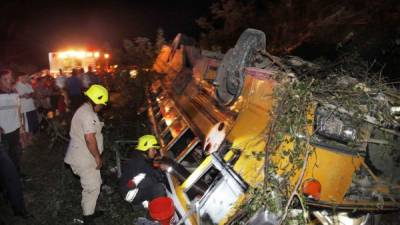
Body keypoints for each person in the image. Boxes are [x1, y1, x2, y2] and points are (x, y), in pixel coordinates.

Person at [64, 84, 108, 225]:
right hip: (84, 157)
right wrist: (97, 157)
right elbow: (90, 138)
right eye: (101, 103)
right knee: (92, 187)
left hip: (82, 154)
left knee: (94, 184)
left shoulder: (85, 110)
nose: (102, 106)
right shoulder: (88, 114)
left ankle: (90, 211)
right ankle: (88, 219)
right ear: (96, 100)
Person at [119, 135, 166, 207]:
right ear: (146, 149)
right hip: (130, 193)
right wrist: (161, 169)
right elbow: (157, 177)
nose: (155, 152)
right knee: (158, 188)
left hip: (129, 189)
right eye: (153, 149)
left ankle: (146, 203)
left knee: (150, 181)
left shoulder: (139, 157)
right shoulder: (141, 163)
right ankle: (155, 213)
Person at [0, 70, 22, 173]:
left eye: (10, 79)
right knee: (5, 158)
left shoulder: (15, 93)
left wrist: (21, 127)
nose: (9, 81)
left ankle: (16, 173)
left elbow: (18, 110)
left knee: (15, 153)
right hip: (3, 132)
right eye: (5, 79)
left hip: (15, 129)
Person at [15, 72, 39, 147]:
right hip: (24, 109)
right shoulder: (17, 86)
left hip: (31, 107)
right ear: (20, 77)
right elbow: (19, 96)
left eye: (27, 77)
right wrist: (25, 95)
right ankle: (25, 142)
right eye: (26, 77)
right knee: (25, 127)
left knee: (32, 125)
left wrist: (30, 95)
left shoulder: (28, 85)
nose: (28, 78)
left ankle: (30, 139)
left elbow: (33, 94)